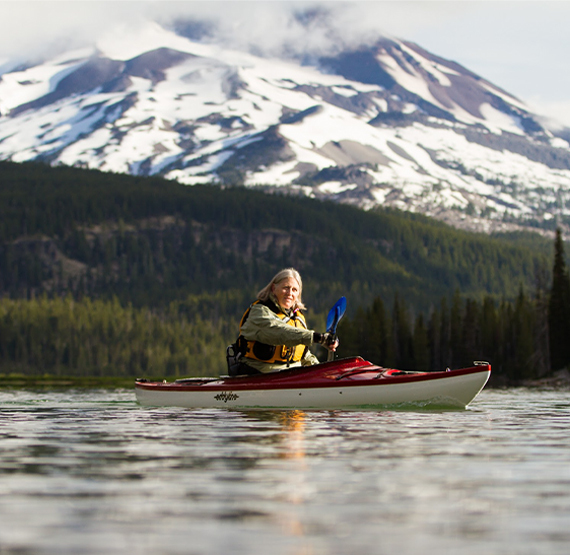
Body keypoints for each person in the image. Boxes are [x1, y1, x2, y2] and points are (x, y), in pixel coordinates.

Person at [231, 268, 338, 375]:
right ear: (273, 288)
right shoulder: (259, 312)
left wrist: (323, 371)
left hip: (290, 375)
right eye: (286, 288)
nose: (290, 293)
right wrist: (317, 337)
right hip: (259, 374)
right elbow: (281, 332)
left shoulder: (297, 317)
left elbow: (303, 355)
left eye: (294, 290)